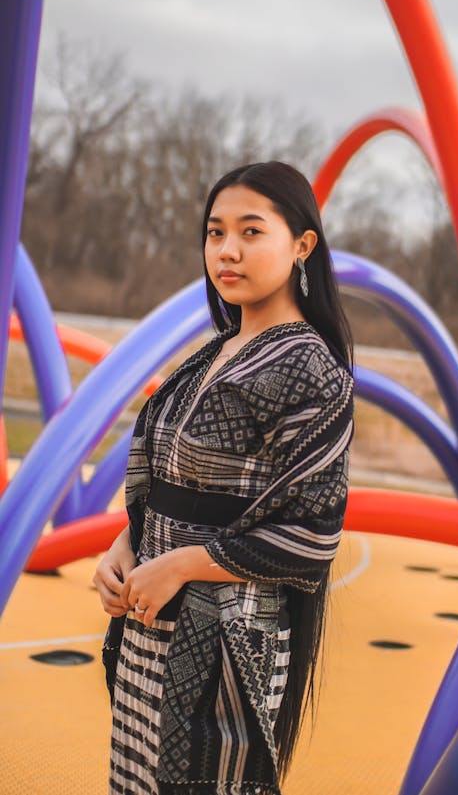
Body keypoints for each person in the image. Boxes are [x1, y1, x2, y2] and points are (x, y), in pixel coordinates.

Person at [93, 160, 355, 795]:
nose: (227, 250)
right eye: (214, 233)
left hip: (230, 638)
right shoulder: (210, 354)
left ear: (302, 245)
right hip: (150, 625)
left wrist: (182, 564)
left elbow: (315, 535)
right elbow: (161, 483)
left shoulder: (310, 369)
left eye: (251, 231)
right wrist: (124, 548)